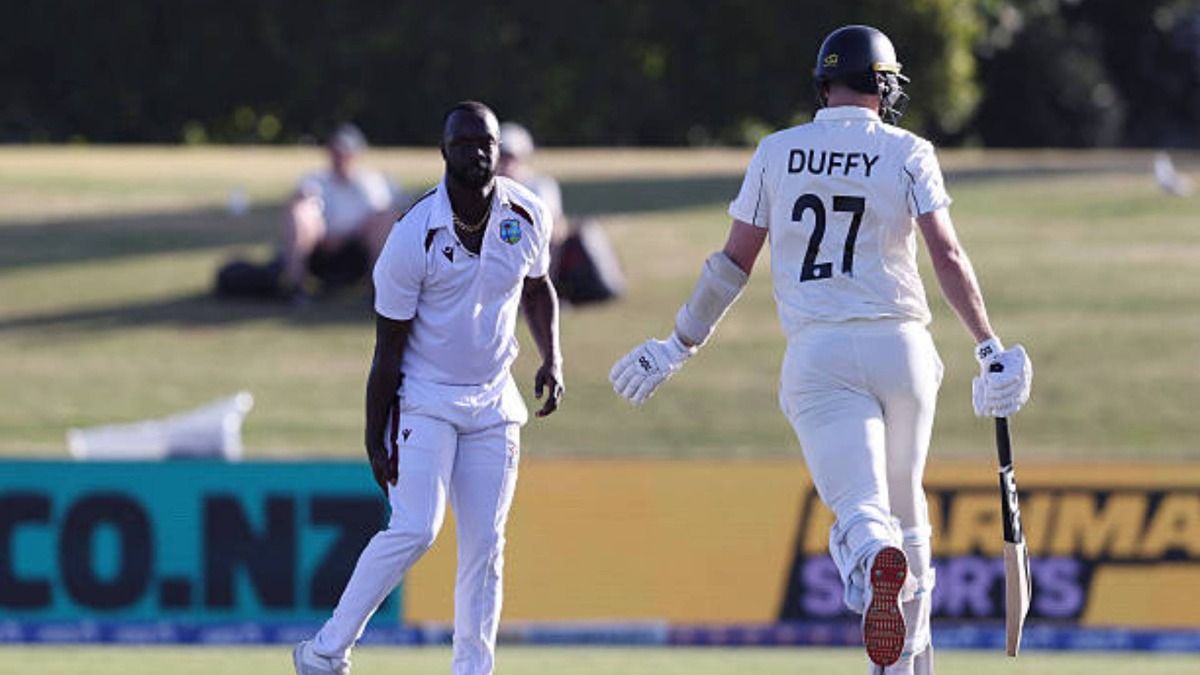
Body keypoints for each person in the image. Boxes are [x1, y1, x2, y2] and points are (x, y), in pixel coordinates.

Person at [609, 25, 1032, 675]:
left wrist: (678, 343)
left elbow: (732, 264)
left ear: (823, 85)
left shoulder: (777, 152)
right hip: (903, 348)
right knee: (906, 502)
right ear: (884, 86)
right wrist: (988, 345)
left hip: (821, 352)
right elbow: (946, 253)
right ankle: (905, 659)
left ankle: (872, 555)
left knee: (864, 508)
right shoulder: (907, 150)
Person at [293, 101, 564, 675]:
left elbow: (538, 288)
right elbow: (387, 351)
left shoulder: (527, 212)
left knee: (485, 546)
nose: (478, 153)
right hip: (425, 398)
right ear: (445, 151)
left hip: (494, 401)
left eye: (486, 143)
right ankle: (325, 650)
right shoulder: (412, 235)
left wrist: (551, 357)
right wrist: (375, 437)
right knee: (416, 528)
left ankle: (472, 669)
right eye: (465, 143)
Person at [280, 123, 399, 297]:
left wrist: (346, 237)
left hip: (357, 251)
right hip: (320, 251)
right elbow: (303, 207)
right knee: (299, 210)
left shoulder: (371, 183)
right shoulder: (315, 181)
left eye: (345, 152)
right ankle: (295, 286)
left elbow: (380, 216)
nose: (340, 157)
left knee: (385, 217)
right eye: (335, 152)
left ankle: (380, 289)